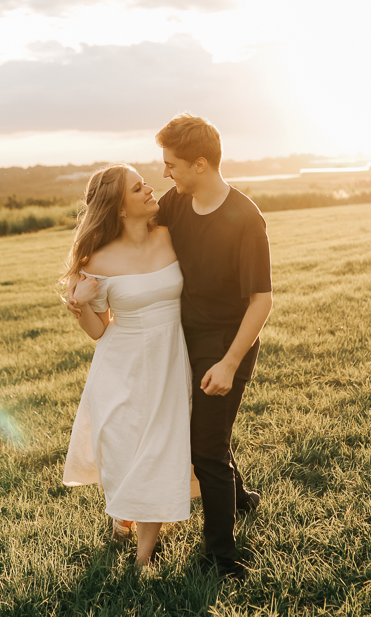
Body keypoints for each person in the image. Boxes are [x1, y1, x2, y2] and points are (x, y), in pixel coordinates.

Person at [156, 114, 273, 580]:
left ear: (200, 165)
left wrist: (229, 362)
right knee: (207, 435)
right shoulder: (176, 203)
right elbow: (135, 232)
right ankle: (241, 500)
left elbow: (262, 300)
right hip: (182, 338)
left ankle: (224, 562)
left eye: (172, 165)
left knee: (205, 449)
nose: (165, 173)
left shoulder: (245, 218)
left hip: (227, 343)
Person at [60, 163, 193, 568]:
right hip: (120, 366)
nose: (150, 189)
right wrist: (79, 304)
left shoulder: (172, 237)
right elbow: (99, 330)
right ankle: (123, 514)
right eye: (138, 189)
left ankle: (143, 557)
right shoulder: (98, 259)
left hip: (169, 360)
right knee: (121, 449)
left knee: (158, 450)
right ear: (119, 208)